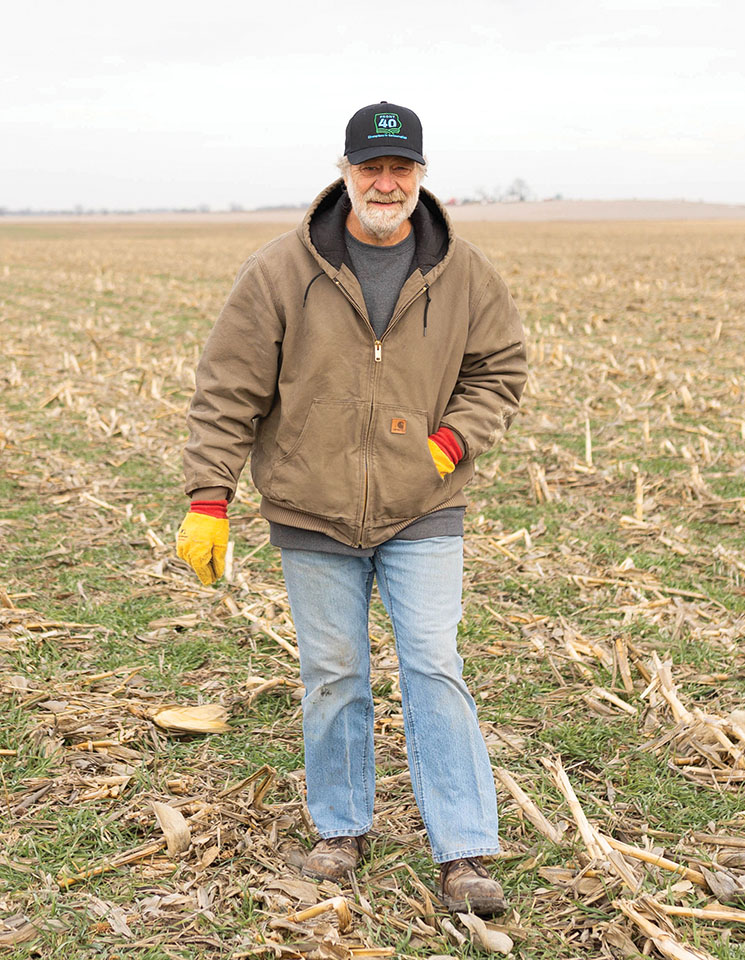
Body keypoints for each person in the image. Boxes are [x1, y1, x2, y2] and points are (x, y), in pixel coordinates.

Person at [177, 101, 527, 915]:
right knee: (333, 675)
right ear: (344, 173)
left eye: (399, 168)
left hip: (423, 506)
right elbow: (226, 389)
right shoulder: (277, 271)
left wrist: (447, 444)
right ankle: (341, 830)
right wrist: (208, 498)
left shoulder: (463, 271)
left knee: (434, 668)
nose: (384, 182)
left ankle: (464, 851)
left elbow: (501, 370)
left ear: (419, 177)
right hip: (312, 508)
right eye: (370, 167)